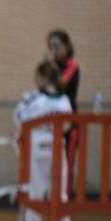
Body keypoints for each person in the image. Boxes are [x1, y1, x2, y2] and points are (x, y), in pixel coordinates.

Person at [10, 60, 74, 221]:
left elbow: (19, 117)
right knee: (60, 190)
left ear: (41, 78)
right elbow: (68, 124)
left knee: (35, 190)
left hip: (36, 148)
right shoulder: (65, 100)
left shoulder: (34, 98)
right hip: (57, 147)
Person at [46, 29, 80, 192]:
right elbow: (44, 86)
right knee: (52, 163)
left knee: (66, 163)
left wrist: (50, 66)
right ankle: (52, 200)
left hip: (69, 124)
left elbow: (61, 84)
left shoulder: (72, 65)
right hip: (52, 122)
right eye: (50, 46)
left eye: (57, 46)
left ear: (67, 46)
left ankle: (64, 203)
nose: (53, 50)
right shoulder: (52, 67)